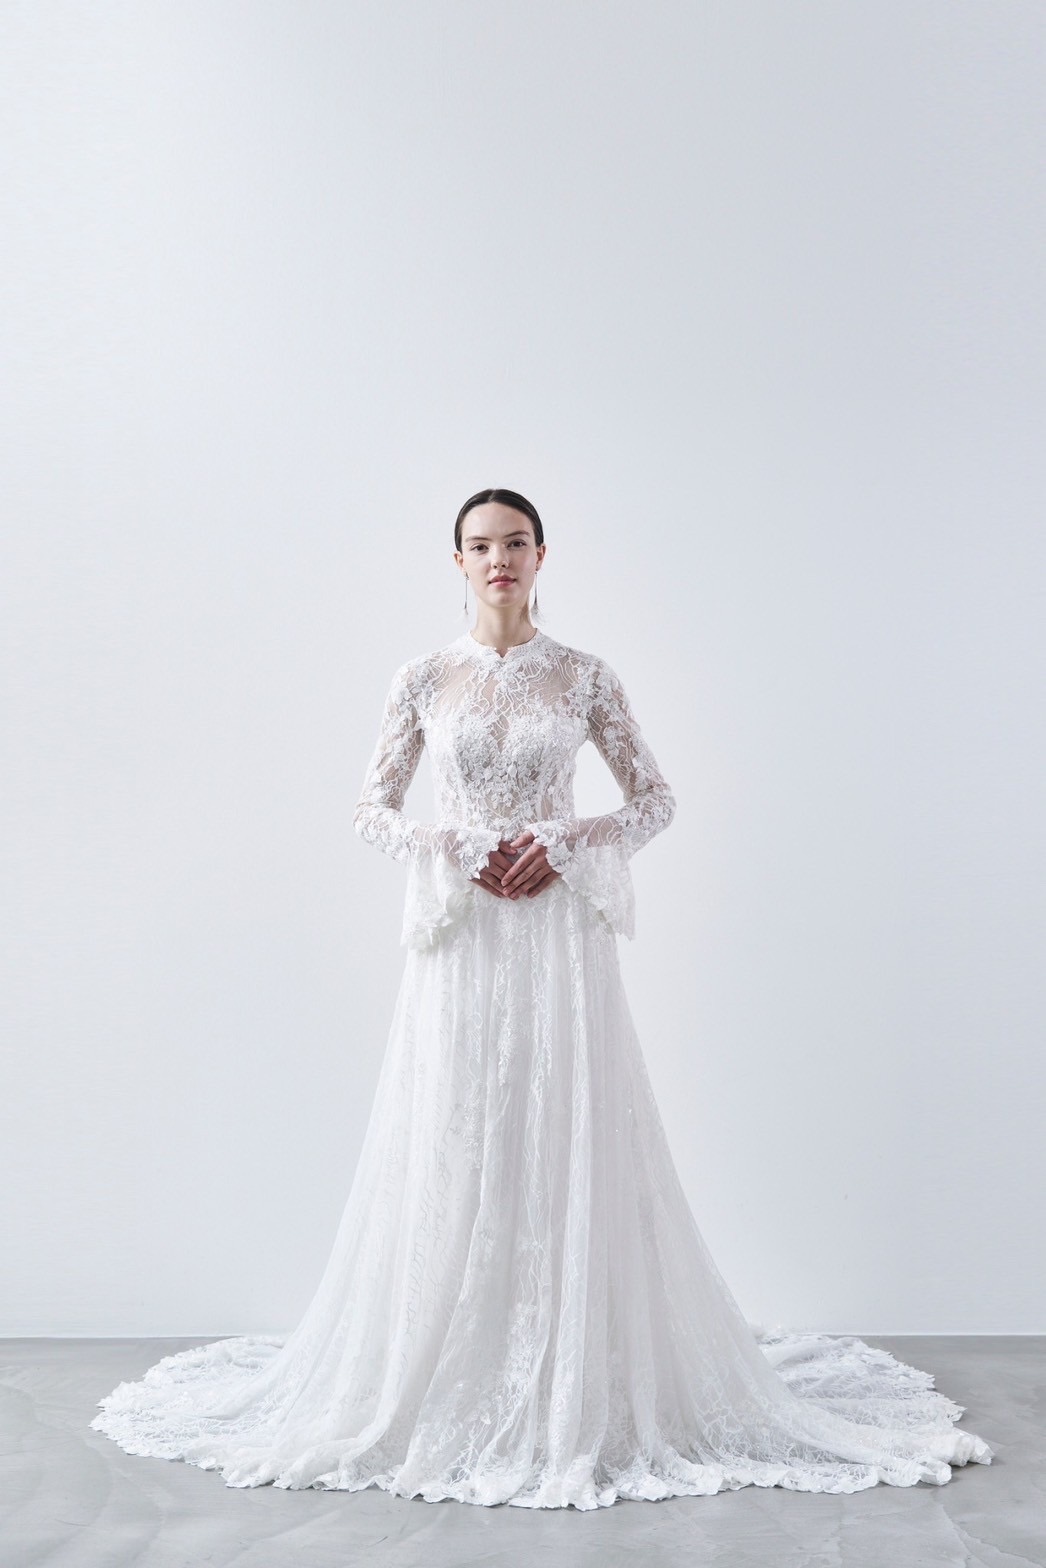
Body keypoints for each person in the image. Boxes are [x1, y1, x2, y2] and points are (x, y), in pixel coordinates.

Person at [90, 488, 993, 1508]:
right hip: (462, 935)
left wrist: (566, 840)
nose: (499, 559)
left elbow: (654, 797)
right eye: (480, 545)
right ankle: (447, 1360)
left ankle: (572, 1367)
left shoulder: (583, 675)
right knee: (457, 1123)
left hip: (559, 938)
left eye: (514, 542)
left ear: (541, 554)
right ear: (457, 560)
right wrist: (448, 844)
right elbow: (371, 808)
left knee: (562, 1118)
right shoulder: (422, 676)